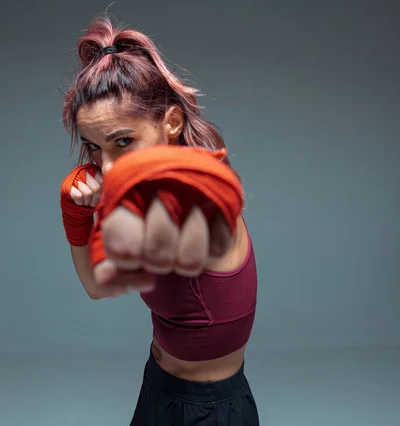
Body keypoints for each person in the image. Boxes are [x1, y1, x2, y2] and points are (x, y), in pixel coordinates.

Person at [59, 16, 259, 426]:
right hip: (159, 389)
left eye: (123, 142)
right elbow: (96, 286)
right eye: (94, 149)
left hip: (210, 411)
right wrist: (76, 215)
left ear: (170, 123)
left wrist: (91, 205)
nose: (108, 166)